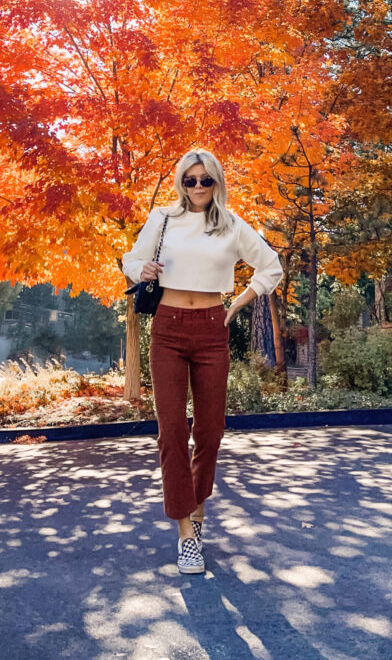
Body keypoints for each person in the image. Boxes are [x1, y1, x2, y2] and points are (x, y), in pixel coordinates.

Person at [122, 148, 283, 575]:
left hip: (213, 326)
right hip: (168, 328)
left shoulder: (231, 225)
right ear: (181, 182)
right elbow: (131, 259)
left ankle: (198, 514)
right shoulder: (163, 219)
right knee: (172, 431)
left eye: (205, 180)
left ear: (217, 183)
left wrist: (240, 304)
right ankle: (186, 535)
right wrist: (143, 271)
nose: (196, 188)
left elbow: (271, 266)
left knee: (210, 431)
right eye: (189, 180)